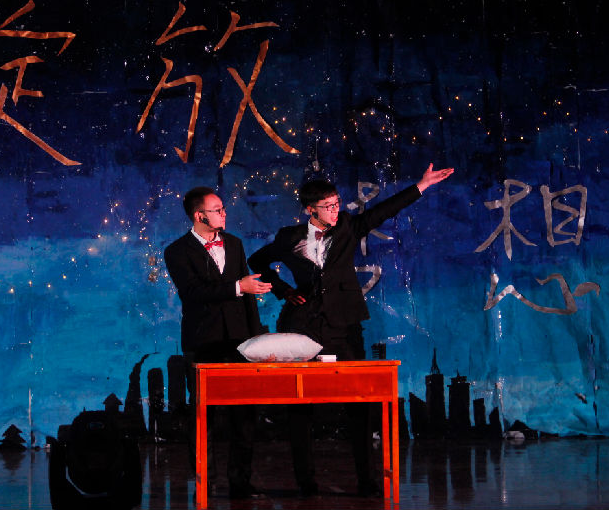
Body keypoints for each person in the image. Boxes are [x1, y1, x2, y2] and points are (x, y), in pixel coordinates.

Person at [248, 163, 455, 497]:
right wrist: (283, 289)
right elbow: (257, 261)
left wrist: (422, 184)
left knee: (358, 402)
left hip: (343, 326)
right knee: (300, 405)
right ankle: (306, 482)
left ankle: (366, 479)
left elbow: (383, 211)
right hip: (303, 326)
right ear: (310, 210)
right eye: (327, 206)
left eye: (336, 203)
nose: (335, 210)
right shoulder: (289, 237)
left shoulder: (346, 226)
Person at [164, 186, 272, 499]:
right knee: (204, 417)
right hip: (203, 341)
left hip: (239, 342)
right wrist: (238, 286)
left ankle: (241, 482)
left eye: (223, 208)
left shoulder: (234, 244)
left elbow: (248, 297)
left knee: (244, 417)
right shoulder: (177, 251)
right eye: (217, 210)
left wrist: (256, 339)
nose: (224, 213)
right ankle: (205, 483)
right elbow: (193, 293)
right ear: (199, 216)